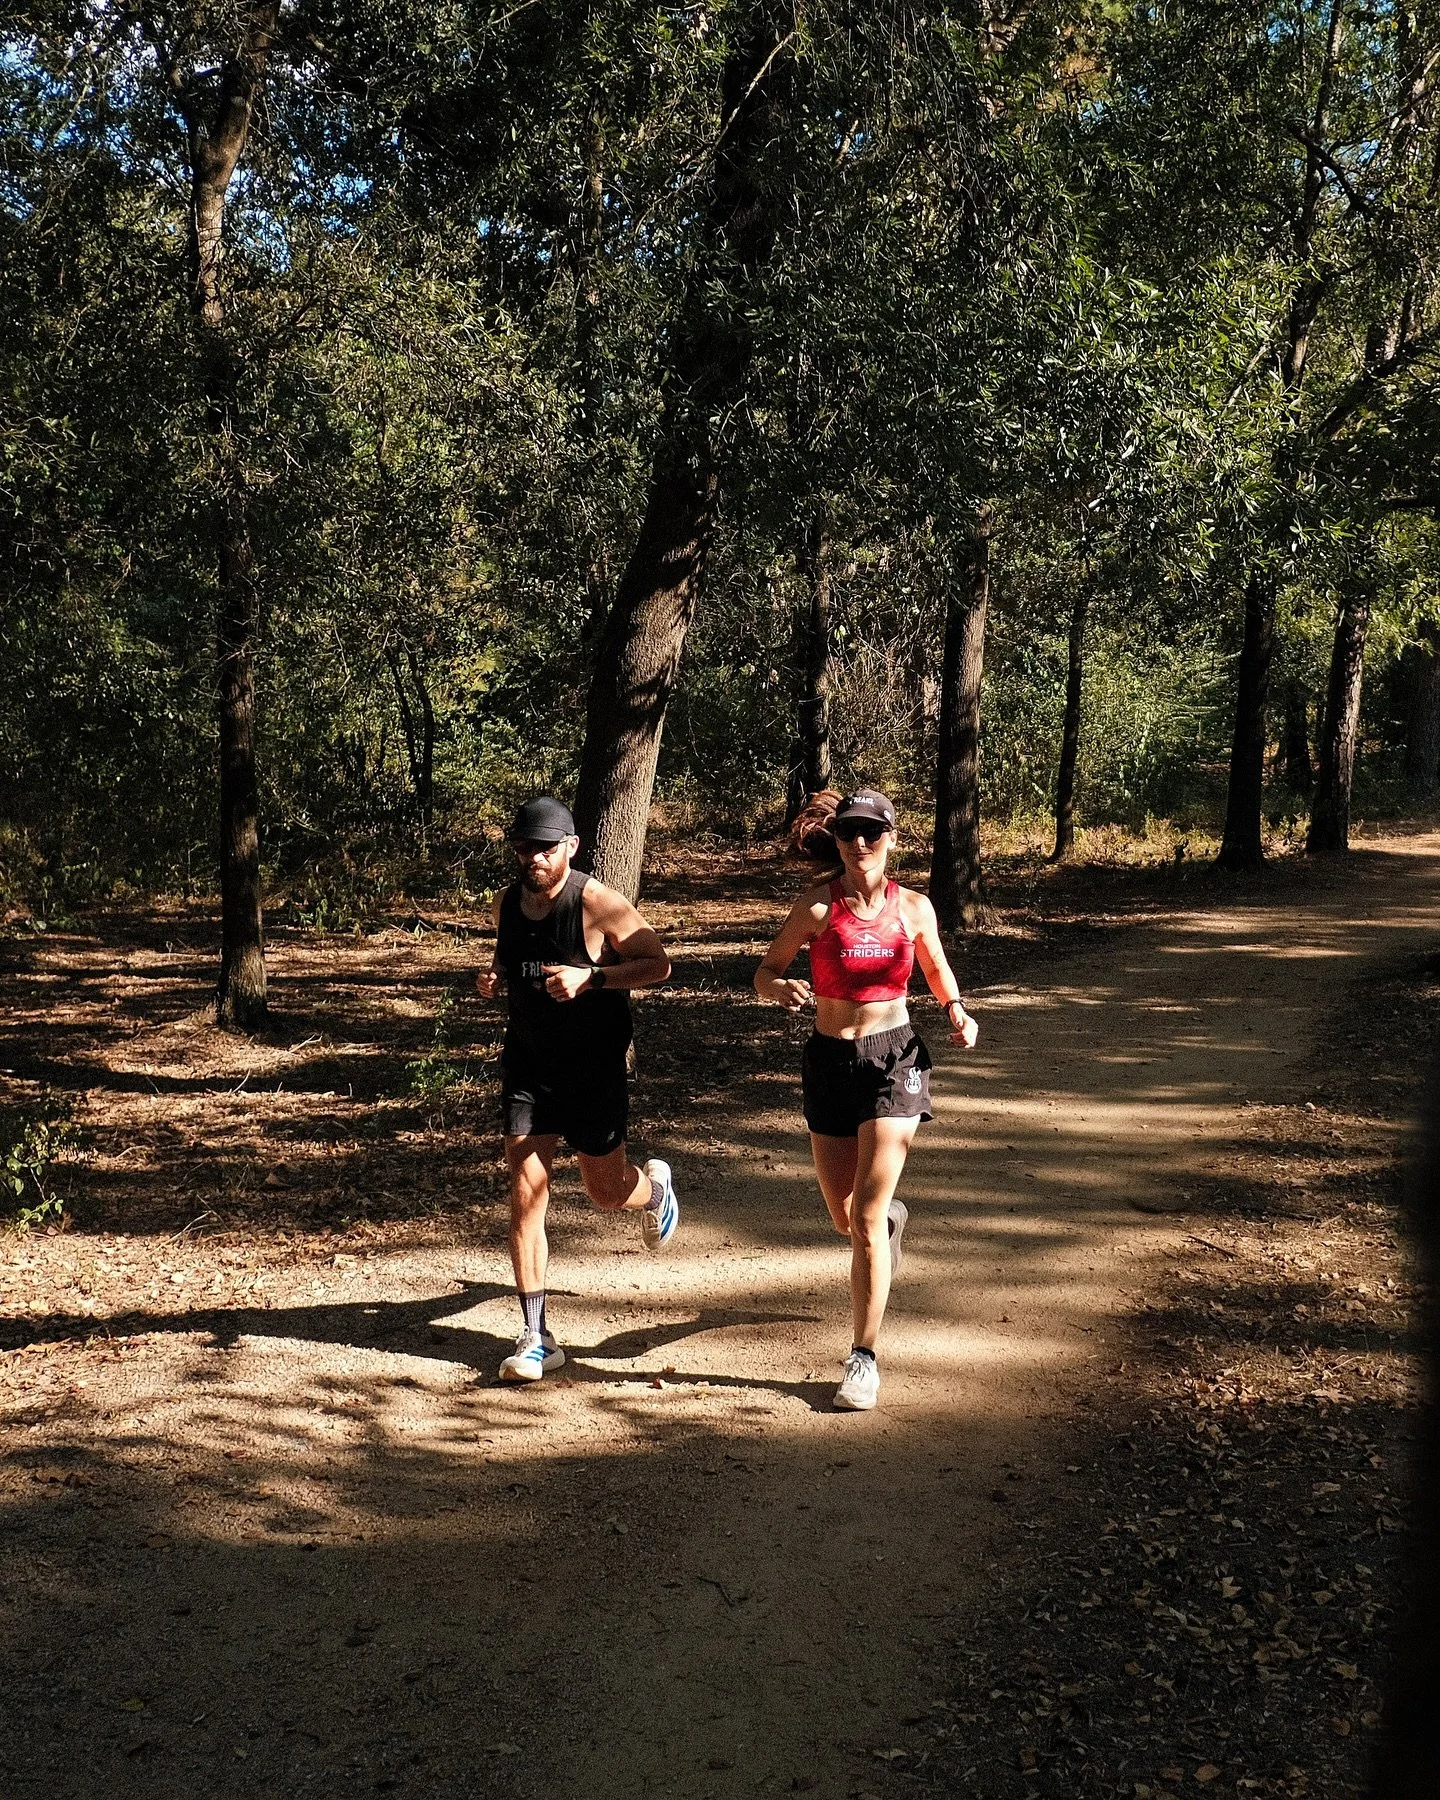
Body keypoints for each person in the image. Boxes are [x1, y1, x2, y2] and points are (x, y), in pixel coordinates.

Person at [754, 788, 979, 1411]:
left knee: (865, 1218)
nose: (861, 843)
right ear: (839, 839)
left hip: (894, 1060)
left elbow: (934, 969)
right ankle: (888, 1221)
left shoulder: (914, 908)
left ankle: (863, 1357)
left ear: (891, 839)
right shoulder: (818, 908)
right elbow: (763, 970)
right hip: (829, 1061)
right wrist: (779, 989)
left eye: (873, 832)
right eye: (851, 832)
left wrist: (955, 1009)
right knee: (845, 1215)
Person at [476, 796, 679, 1382]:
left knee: (606, 1191)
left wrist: (596, 978)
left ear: (571, 846)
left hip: (592, 1066)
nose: (534, 857)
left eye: (545, 847)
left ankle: (655, 1190)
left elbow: (658, 964)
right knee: (526, 1193)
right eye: (523, 847)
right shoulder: (506, 906)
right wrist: (491, 980)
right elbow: (506, 963)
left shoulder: (595, 903)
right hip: (529, 1066)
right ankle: (536, 1335)